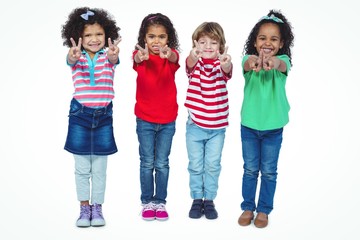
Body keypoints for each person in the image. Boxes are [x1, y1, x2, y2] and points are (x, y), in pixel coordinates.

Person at [61, 7, 121, 227]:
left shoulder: (109, 55)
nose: (94, 39)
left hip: (104, 117)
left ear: (106, 36)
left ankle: (98, 208)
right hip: (80, 117)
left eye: (99, 34)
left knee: (99, 169)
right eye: (88, 35)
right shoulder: (77, 56)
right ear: (78, 36)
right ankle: (83, 208)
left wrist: (114, 55)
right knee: (82, 167)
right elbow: (70, 59)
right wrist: (71, 55)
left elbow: (114, 60)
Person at [237, 9, 294, 228]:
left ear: (281, 44)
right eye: (262, 38)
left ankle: (264, 210)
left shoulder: (283, 61)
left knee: (269, 171)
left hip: (273, 127)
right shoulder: (248, 60)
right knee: (250, 169)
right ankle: (248, 207)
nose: (267, 43)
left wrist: (273, 63)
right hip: (249, 126)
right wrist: (254, 63)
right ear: (254, 41)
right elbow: (246, 63)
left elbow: (281, 66)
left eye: (273, 39)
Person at [132, 13, 180, 221]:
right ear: (144, 38)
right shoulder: (140, 56)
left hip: (168, 119)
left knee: (162, 163)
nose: (156, 41)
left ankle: (160, 202)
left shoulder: (170, 56)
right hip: (145, 119)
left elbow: (175, 58)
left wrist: (168, 54)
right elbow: (135, 59)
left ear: (168, 39)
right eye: (151, 37)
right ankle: (146, 202)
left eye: (161, 37)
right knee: (146, 162)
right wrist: (139, 57)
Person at [184, 22, 232, 220]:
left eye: (213, 42)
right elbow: (188, 63)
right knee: (195, 165)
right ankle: (197, 199)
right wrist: (194, 55)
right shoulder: (196, 65)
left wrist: (225, 62)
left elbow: (227, 69)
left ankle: (209, 199)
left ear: (221, 46)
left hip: (217, 129)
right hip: (195, 125)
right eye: (202, 42)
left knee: (212, 165)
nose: (208, 46)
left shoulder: (222, 65)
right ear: (196, 45)